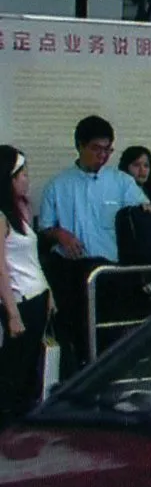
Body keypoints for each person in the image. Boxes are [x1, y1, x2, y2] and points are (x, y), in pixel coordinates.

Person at [37, 116, 150, 371]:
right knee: (78, 335)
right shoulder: (57, 185)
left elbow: (142, 214)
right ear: (80, 145)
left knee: (112, 336)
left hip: (111, 272)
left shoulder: (122, 182)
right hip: (72, 272)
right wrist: (60, 234)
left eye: (107, 150)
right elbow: (45, 229)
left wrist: (147, 210)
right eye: (96, 149)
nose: (102, 156)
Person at [0, 147, 51, 426]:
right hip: (19, 300)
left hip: (37, 294)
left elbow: (32, 257)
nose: (27, 179)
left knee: (33, 365)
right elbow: (1, 269)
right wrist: (12, 314)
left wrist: (49, 292)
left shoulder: (21, 212)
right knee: (15, 368)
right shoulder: (1, 217)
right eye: (21, 175)